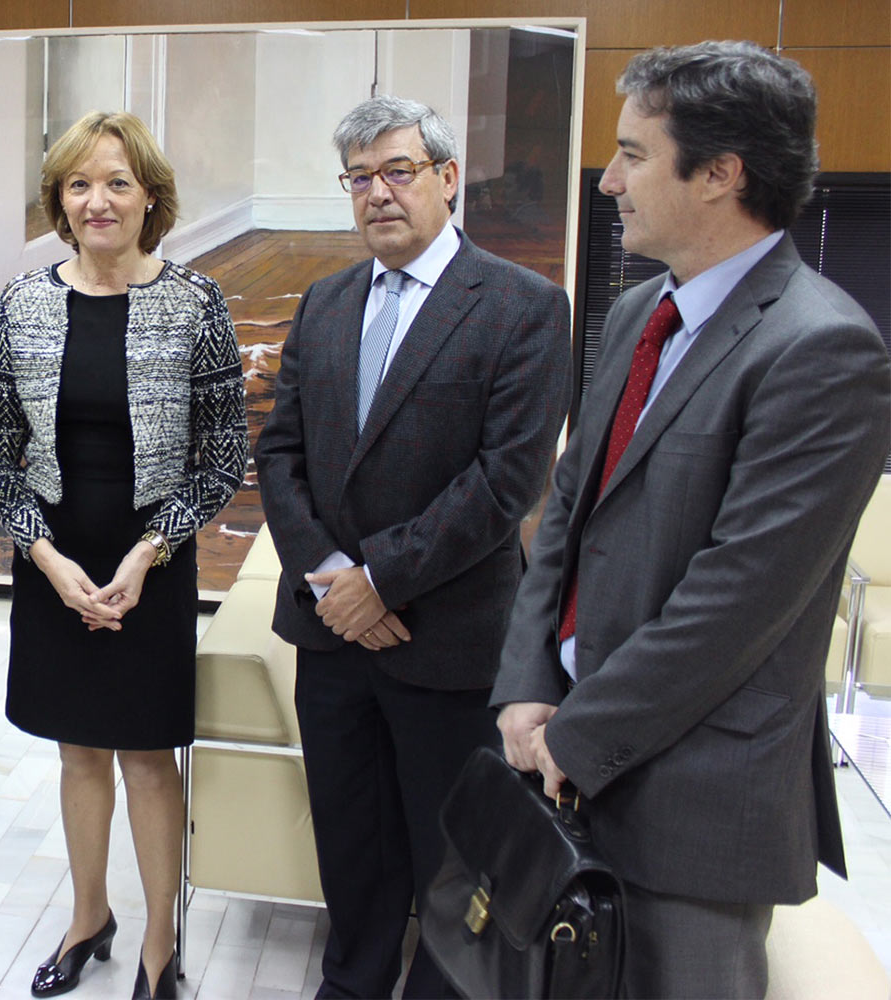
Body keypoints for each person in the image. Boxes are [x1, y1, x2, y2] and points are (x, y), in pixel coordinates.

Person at [493, 41, 891, 998]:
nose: (608, 180)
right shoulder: (637, 313)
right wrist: (525, 686)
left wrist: (576, 737)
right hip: (559, 748)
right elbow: (567, 518)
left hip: (692, 797)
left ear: (720, 174)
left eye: (633, 153)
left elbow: (734, 607)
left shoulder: (822, 347)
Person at [254, 96, 572, 999]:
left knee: (449, 848)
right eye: (359, 177)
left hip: (448, 637)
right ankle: (352, 979)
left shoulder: (523, 307)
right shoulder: (325, 300)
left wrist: (381, 580)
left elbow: (507, 481)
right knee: (349, 835)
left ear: (445, 180)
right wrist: (330, 580)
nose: (377, 193)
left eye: (397, 171)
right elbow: (280, 453)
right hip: (332, 637)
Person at [0, 110, 246, 1000]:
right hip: (54, 557)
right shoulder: (23, 302)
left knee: (144, 755)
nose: (98, 200)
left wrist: (148, 555)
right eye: (80, 183)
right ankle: (88, 919)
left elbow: (220, 457)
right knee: (79, 752)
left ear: (150, 199)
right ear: (59, 198)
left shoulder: (195, 302)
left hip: (151, 562)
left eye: (118, 182)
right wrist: (48, 562)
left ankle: (160, 952)